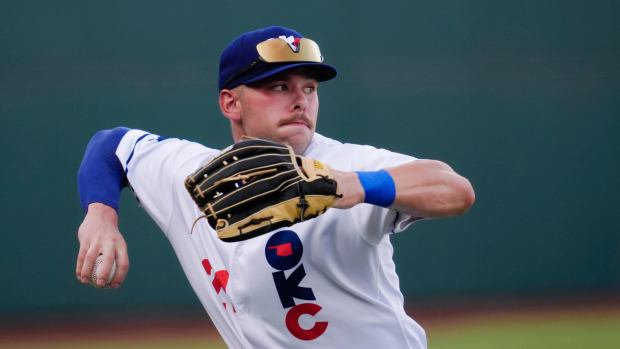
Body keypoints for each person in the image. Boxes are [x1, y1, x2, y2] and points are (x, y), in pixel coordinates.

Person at [75, 25, 475, 349]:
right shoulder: (193, 174)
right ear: (231, 104)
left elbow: (454, 189)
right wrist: (100, 214)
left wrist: (355, 185)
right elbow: (111, 145)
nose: (300, 100)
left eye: (309, 87)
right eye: (279, 86)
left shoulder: (345, 165)